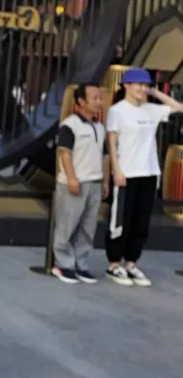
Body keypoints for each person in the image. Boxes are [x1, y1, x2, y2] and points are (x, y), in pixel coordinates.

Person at [104, 68, 183, 286]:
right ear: (126, 85)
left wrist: (156, 93)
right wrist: (116, 170)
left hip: (149, 172)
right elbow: (112, 143)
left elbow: (179, 108)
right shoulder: (117, 111)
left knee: (141, 221)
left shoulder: (151, 109)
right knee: (121, 220)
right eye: (138, 84)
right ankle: (113, 264)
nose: (142, 89)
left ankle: (131, 263)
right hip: (126, 173)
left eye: (145, 85)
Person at [51, 84, 106, 285]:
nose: (99, 102)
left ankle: (80, 263)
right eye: (94, 98)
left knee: (87, 228)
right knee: (67, 225)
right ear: (81, 101)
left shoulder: (100, 127)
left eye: (99, 98)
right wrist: (71, 177)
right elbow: (64, 153)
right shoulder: (70, 125)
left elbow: (105, 156)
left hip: (94, 182)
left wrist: (105, 180)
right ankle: (63, 264)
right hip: (74, 183)